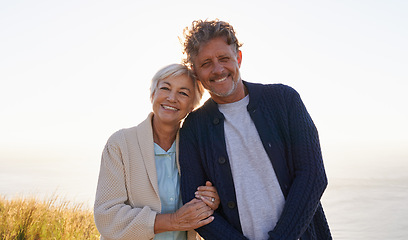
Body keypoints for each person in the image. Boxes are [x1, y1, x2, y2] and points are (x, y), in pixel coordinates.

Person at [178, 20, 332, 240]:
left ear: (238, 58)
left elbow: (313, 175)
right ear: (195, 72)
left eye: (224, 58)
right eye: (206, 63)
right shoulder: (194, 127)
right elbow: (197, 208)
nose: (218, 69)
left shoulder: (284, 100)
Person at [94, 63, 221, 240]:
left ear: (192, 106)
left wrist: (213, 200)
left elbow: (213, 200)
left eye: (183, 93)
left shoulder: (198, 148)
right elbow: (107, 217)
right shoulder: (120, 144)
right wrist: (173, 221)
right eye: (165, 88)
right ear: (153, 94)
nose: (171, 98)